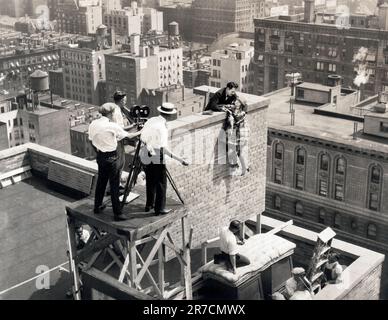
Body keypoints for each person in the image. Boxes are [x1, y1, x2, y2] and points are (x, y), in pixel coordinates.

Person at [88, 103, 140, 221]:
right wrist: (141, 131)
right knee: (114, 186)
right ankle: (117, 213)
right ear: (111, 113)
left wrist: (98, 152)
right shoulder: (111, 125)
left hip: (101, 156)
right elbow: (130, 136)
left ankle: (97, 206)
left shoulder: (93, 124)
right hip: (112, 157)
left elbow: (90, 140)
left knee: (101, 182)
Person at [140, 102, 189, 215]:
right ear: (170, 115)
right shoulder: (162, 128)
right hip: (156, 154)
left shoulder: (151, 120)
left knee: (150, 179)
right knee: (161, 182)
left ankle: (149, 204)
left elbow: (143, 136)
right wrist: (180, 160)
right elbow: (164, 149)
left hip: (145, 152)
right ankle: (159, 208)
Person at [224, 97, 250, 175]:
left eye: (238, 102)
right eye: (236, 101)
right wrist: (226, 107)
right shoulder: (234, 108)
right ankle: (241, 168)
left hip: (240, 134)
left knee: (239, 152)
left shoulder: (242, 113)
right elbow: (224, 106)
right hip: (234, 133)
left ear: (241, 104)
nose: (236, 102)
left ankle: (244, 168)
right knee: (234, 151)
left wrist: (230, 111)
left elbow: (236, 117)